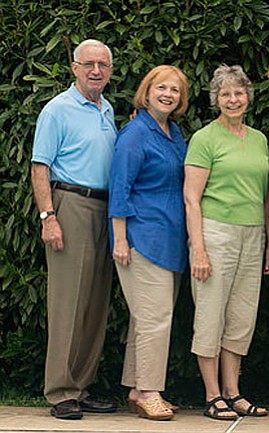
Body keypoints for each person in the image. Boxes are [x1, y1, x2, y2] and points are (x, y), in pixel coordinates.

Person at [30, 39, 118, 420]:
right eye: (89, 64)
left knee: (95, 304)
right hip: (70, 205)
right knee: (68, 303)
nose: (96, 70)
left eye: (103, 64)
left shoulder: (108, 108)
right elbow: (39, 167)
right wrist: (49, 217)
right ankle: (61, 391)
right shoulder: (58, 110)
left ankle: (81, 387)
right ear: (74, 67)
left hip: (105, 209)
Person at [184, 64, 269, 421]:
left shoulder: (258, 139)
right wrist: (200, 248)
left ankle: (233, 392)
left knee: (241, 316)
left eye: (238, 93)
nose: (233, 99)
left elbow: (264, 197)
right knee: (210, 314)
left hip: (252, 234)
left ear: (247, 97)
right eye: (226, 94)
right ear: (216, 99)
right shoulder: (204, 139)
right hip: (215, 233)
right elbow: (191, 198)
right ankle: (212, 395)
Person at [108, 65, 189, 421]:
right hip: (141, 236)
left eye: (175, 90)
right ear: (147, 90)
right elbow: (120, 186)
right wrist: (120, 238)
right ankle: (151, 392)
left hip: (170, 238)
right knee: (155, 318)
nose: (168, 94)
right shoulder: (135, 133)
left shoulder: (174, 132)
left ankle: (137, 388)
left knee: (147, 318)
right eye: (161, 87)